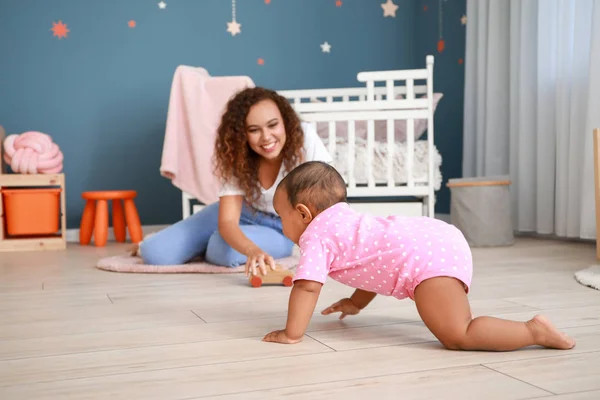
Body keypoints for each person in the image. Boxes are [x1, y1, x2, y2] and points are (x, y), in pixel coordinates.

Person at [260, 161, 576, 352]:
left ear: (303, 214)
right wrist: (356, 303)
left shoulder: (316, 235)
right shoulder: (346, 223)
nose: (279, 222)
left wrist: (292, 333)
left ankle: (532, 330)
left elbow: (307, 287)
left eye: (280, 215)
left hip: (426, 261)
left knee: (458, 334)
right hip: (437, 238)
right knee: (453, 322)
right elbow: (373, 265)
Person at [138, 88, 332, 271]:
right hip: (243, 213)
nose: (266, 137)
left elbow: (325, 203)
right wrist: (251, 250)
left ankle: (205, 244)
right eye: (254, 130)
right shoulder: (237, 154)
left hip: (281, 227)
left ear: (285, 122)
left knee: (225, 250)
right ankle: (193, 243)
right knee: (154, 253)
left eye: (273, 125)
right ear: (242, 134)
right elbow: (228, 221)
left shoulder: (305, 138)